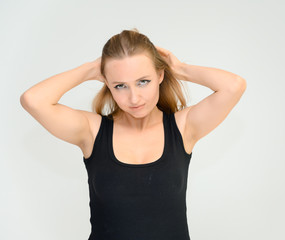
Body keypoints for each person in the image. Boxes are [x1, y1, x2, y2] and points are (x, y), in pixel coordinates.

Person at [20, 28, 247, 240]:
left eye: (143, 82)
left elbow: (233, 86)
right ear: (107, 83)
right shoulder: (92, 132)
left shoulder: (184, 127)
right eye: (120, 85)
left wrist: (181, 69)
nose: (134, 98)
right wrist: (91, 68)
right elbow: (33, 100)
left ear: (160, 75)